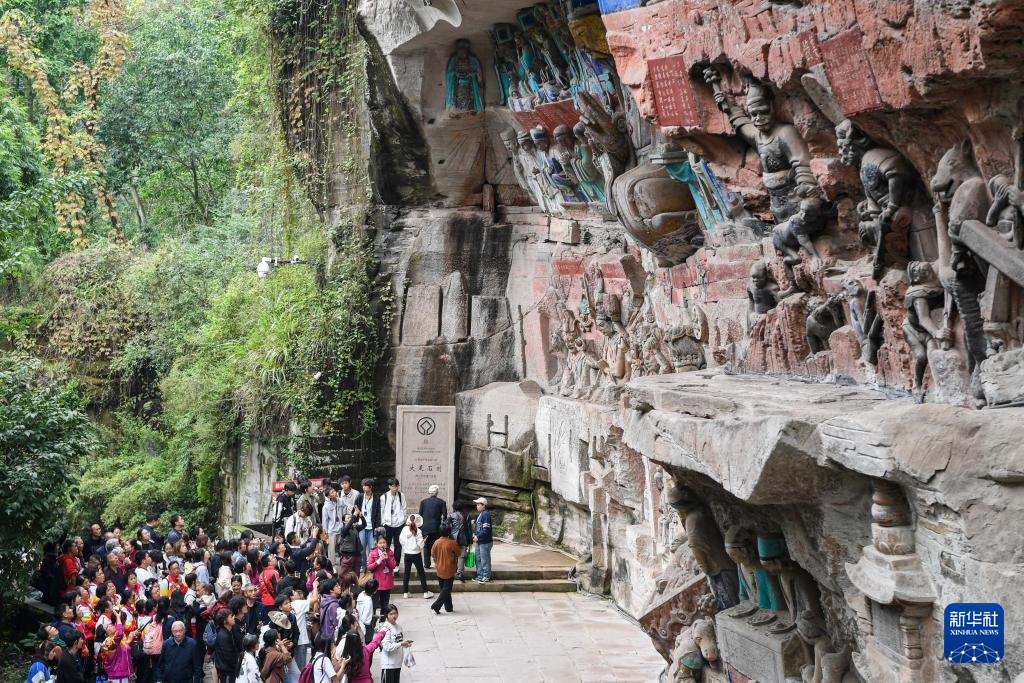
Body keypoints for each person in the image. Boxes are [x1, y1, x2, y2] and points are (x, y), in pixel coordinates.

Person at [430, 522, 461, 615]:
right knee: (446, 590)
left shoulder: (436, 542)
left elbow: (433, 554)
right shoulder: (452, 543)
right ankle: (436, 605)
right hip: (449, 570)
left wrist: (436, 561)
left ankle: (449, 607)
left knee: (444, 589)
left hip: (439, 569)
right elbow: (458, 553)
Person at [397, 515, 430, 600]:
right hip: (416, 554)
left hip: (407, 554)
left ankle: (405, 593)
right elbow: (420, 544)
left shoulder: (404, 529)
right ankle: (425, 592)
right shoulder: (418, 530)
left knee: (406, 573)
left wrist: (406, 547)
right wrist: (424, 541)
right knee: (421, 573)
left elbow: (401, 540)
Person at [377, 605, 412, 683]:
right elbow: (386, 647)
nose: (394, 616)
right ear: (386, 615)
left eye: (395, 613)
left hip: (397, 663)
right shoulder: (385, 628)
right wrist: (401, 644)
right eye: (391, 614)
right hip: (388, 665)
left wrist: (405, 644)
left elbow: (398, 642)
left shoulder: (398, 627)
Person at [99, 611, 135, 683]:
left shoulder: (119, 640)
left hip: (126, 674)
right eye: (108, 626)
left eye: (111, 624)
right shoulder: (107, 642)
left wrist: (132, 673)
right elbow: (120, 634)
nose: (111, 625)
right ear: (106, 634)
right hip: (116, 676)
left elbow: (124, 651)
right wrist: (118, 617)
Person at [365, 536, 396, 621]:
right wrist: (378, 561)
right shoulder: (373, 553)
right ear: (377, 544)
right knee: (374, 605)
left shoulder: (389, 552)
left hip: (387, 582)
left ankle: (383, 621)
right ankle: (372, 622)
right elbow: (369, 567)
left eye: (384, 542)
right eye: (380, 543)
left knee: (385, 605)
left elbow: (393, 565)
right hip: (376, 583)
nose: (382, 545)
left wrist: (387, 558)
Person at [418, 485, 448, 569]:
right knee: (437, 546)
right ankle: (437, 563)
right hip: (436, 528)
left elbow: (419, 515)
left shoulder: (423, 502)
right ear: (437, 492)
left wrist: (420, 527)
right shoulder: (442, 502)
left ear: (429, 492)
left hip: (425, 528)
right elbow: (445, 516)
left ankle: (427, 564)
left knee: (426, 546)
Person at [379, 480, 406, 567]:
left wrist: (403, 520)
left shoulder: (401, 495)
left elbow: (404, 508)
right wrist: (384, 523)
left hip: (399, 524)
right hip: (388, 524)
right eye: (393, 486)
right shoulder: (384, 496)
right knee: (386, 545)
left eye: (396, 486)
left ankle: (396, 564)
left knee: (398, 545)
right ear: (389, 486)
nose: (395, 488)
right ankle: (386, 563)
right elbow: (382, 510)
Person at [354, 480, 379, 571]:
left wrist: (377, 526)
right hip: (362, 526)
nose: (364, 487)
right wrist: (357, 513)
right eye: (363, 486)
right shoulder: (360, 496)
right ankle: (363, 565)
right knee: (362, 548)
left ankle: (371, 566)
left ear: (370, 487)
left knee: (372, 548)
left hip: (372, 527)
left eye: (365, 486)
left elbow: (378, 513)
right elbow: (355, 507)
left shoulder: (376, 498)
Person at [213, 609, 241, 683]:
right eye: (231, 616)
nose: (233, 617)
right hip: (227, 673)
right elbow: (229, 657)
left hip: (229, 671)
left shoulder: (227, 632)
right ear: (225, 621)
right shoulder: (224, 636)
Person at [335, 511, 364, 578]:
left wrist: (361, 517)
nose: (350, 519)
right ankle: (343, 584)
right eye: (348, 518)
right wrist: (354, 516)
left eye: (350, 517)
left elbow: (364, 525)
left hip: (357, 554)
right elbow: (347, 527)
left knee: (356, 574)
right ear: (344, 521)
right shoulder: (343, 529)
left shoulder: (355, 527)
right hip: (348, 555)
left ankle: (355, 584)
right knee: (345, 574)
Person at [448, 502, 471, 581]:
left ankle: (453, 570)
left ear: (454, 507)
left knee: (453, 554)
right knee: (462, 555)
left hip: (453, 538)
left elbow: (446, 526)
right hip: (464, 538)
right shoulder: (467, 515)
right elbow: (469, 529)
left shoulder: (451, 515)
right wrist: (470, 540)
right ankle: (460, 572)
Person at [321, 487, 343, 568]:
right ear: (329, 496)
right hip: (331, 530)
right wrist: (325, 534)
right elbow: (325, 521)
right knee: (331, 550)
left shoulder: (340, 501)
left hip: (341, 528)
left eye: (334, 491)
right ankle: (331, 565)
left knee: (342, 547)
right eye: (332, 492)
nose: (335, 493)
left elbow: (344, 512)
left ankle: (343, 562)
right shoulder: (326, 506)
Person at [472, 497, 493, 583]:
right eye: (476, 504)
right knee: (478, 559)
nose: (477, 506)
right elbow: (478, 527)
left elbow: (486, 530)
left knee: (485, 559)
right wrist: (475, 535)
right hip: (479, 541)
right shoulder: (480, 514)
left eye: (478, 504)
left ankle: (486, 576)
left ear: (483, 505)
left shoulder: (486, 515)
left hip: (485, 541)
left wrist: (478, 536)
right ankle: (480, 575)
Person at [355, 579, 376, 644]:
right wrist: (372, 618)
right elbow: (365, 620)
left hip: (358, 621)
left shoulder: (361, 594)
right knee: (368, 645)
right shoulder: (368, 602)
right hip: (366, 627)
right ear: (375, 591)